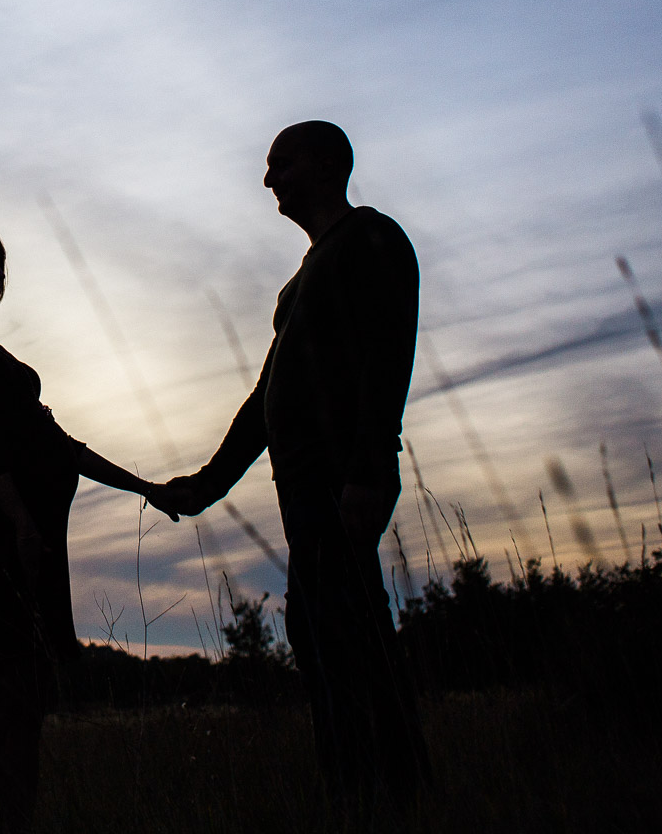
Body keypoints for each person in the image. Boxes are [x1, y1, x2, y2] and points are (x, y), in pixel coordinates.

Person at [162, 121, 430, 812]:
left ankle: (386, 791)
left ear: (318, 164)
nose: (267, 179)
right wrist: (209, 483)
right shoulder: (304, 279)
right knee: (320, 632)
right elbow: (268, 397)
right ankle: (364, 787)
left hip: (345, 480)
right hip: (307, 486)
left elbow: (387, 353)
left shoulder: (371, 239)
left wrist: (371, 470)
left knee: (346, 633)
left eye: (278, 163)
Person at [0, 219, 171, 834]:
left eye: (0, 262)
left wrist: (144, 487)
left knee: (22, 706)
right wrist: (23, 524)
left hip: (30, 543)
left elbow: (56, 444)